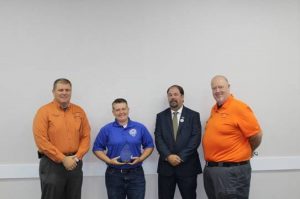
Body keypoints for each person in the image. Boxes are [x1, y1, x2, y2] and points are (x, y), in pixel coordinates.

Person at [203, 75, 263, 199]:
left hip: (232, 172)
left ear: (228, 87)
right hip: (212, 170)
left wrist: (249, 150)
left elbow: (256, 135)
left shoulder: (239, 108)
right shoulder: (214, 109)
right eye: (214, 88)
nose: (217, 90)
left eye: (221, 87)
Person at [33, 78, 91, 199]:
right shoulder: (44, 112)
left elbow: (86, 136)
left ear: (71, 92)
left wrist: (77, 157)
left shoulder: (79, 111)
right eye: (60, 90)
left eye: (67, 90)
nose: (64, 92)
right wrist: (63, 158)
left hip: (75, 163)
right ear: (53, 92)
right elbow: (41, 140)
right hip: (51, 164)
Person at [93, 98, 154, 199]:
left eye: (123, 109)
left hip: (136, 174)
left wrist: (141, 158)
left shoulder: (140, 127)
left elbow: (149, 145)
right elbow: (97, 148)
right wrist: (109, 161)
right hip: (114, 175)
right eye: (117, 110)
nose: (121, 112)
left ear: (128, 109)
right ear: (113, 112)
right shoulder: (106, 129)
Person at [154, 85, 202, 199]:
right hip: (166, 168)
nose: (172, 97)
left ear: (182, 97)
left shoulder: (193, 115)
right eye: (170, 95)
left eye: (175, 94)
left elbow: (195, 139)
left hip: (188, 167)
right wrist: (168, 156)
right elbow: (158, 138)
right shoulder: (160, 116)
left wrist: (180, 157)